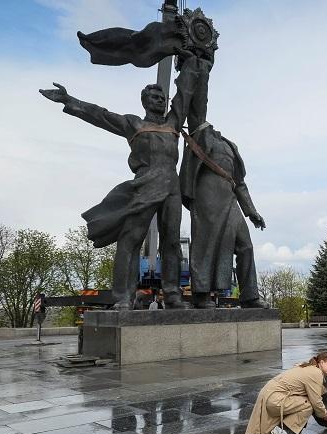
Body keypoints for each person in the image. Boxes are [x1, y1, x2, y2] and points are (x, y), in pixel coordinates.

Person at [39, 54, 210, 310]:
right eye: (155, 97)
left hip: (171, 186)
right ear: (144, 102)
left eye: (162, 98)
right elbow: (100, 115)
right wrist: (68, 100)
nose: (161, 100)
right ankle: (123, 297)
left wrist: (193, 63)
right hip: (145, 183)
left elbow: (184, 92)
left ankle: (172, 294)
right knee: (131, 240)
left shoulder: (174, 122)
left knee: (172, 242)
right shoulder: (133, 123)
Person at [179, 53, 266, 309]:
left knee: (245, 246)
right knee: (205, 243)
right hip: (207, 197)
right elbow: (199, 103)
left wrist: (252, 212)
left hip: (230, 200)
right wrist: (202, 70)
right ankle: (202, 294)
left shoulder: (229, 144)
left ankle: (250, 295)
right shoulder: (200, 135)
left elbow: (240, 183)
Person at [246, 352, 327, 434]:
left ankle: (292, 430)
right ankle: (285, 430)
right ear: (321, 362)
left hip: (271, 396)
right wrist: (323, 413)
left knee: (304, 400)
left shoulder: (308, 367)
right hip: (275, 400)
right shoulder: (315, 372)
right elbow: (316, 400)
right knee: (308, 404)